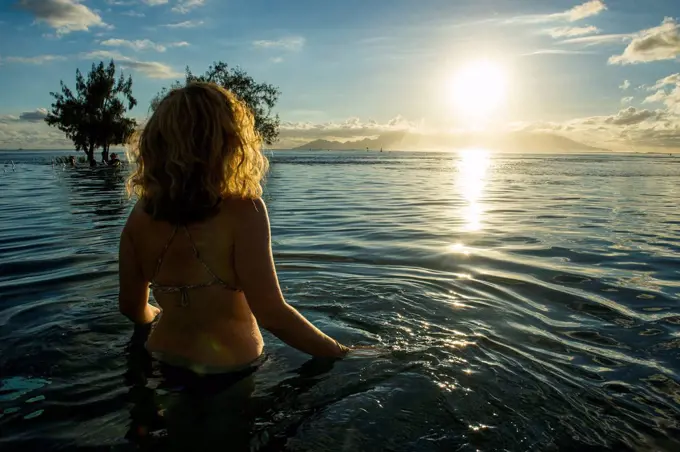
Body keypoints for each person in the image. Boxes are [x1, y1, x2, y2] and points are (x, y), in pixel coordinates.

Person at [119, 82, 349, 377]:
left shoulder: (139, 216)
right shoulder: (244, 210)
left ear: (156, 143)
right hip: (230, 367)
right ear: (227, 142)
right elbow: (272, 314)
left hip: (162, 356)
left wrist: (158, 313)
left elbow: (130, 306)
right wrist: (341, 353)